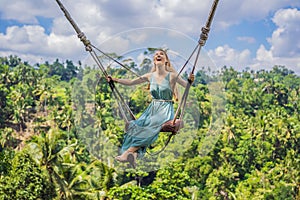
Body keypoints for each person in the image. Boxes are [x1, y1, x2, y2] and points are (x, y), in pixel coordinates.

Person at [107, 49, 194, 165]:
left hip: (164, 109)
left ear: (166, 60)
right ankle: (134, 155)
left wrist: (190, 81)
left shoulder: (172, 76)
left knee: (150, 127)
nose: (158, 55)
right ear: (154, 60)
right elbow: (131, 82)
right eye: (156, 55)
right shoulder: (150, 76)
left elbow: (186, 85)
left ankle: (127, 152)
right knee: (134, 125)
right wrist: (115, 80)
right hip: (152, 109)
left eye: (161, 54)